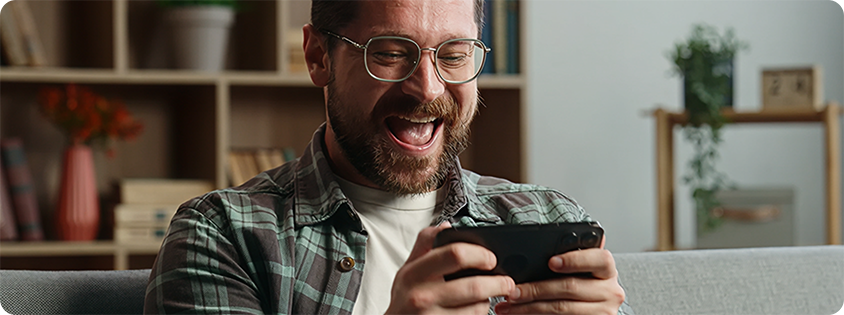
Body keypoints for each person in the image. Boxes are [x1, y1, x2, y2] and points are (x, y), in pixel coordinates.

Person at [144, 0, 631, 314]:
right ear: (318, 57)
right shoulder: (222, 235)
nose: (427, 87)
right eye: (391, 52)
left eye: (455, 54)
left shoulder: (550, 218)